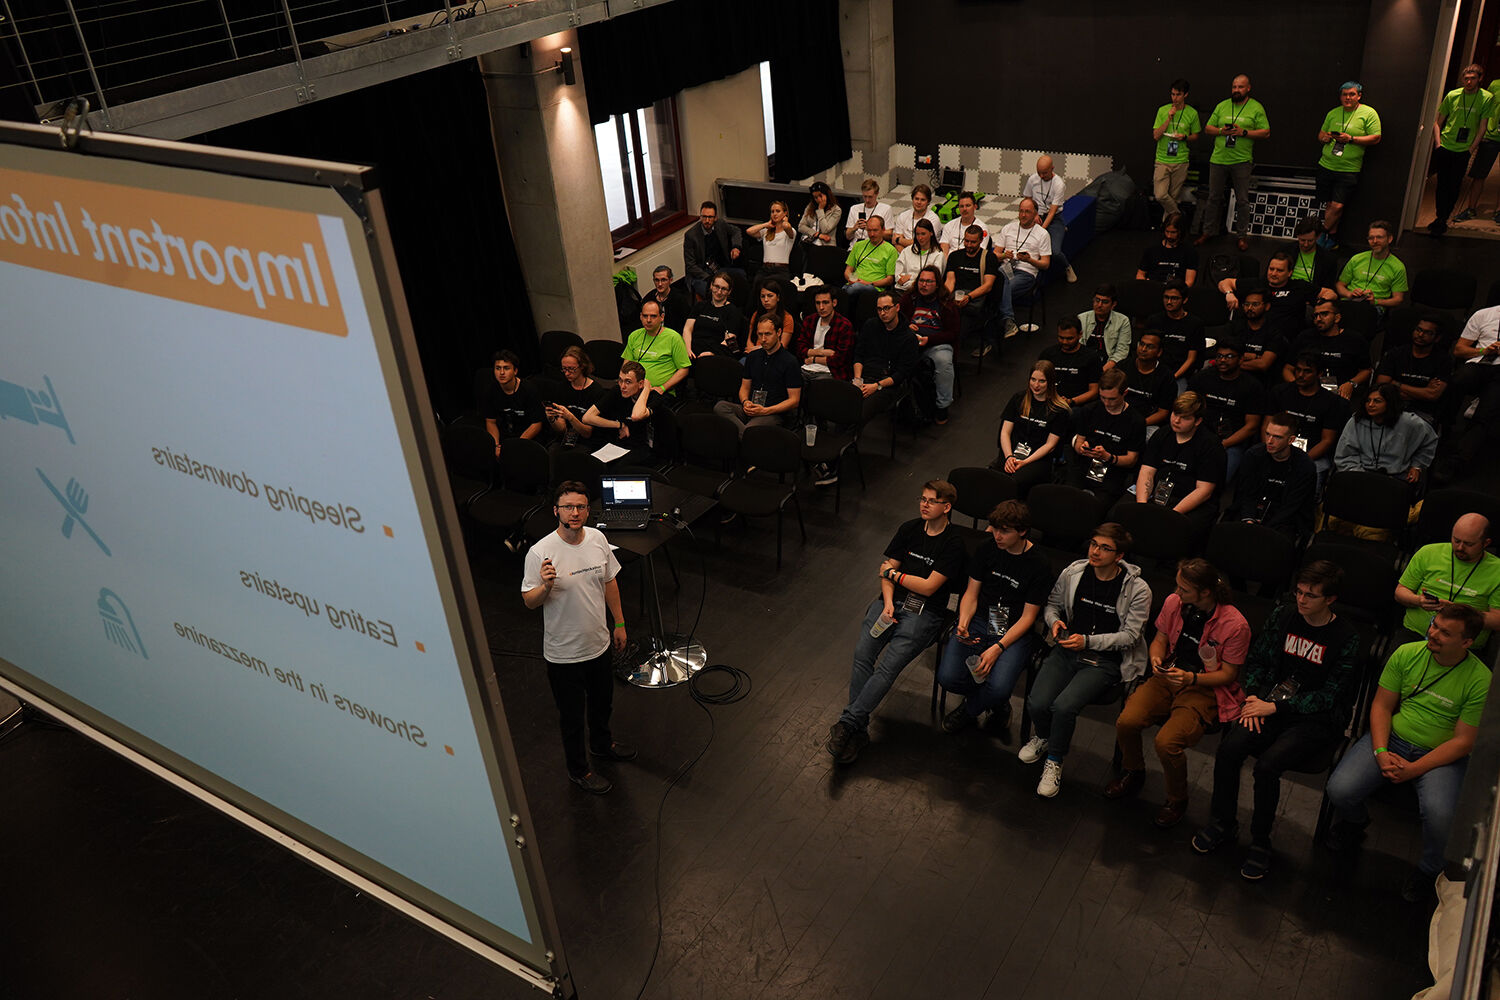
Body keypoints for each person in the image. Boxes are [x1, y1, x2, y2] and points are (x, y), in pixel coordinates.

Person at [1193, 561, 1360, 879]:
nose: (1301, 600)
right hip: (1267, 703)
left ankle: (1260, 841)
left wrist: (1274, 708)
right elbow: (1257, 659)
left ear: (1330, 599)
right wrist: (1254, 697)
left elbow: (1331, 695)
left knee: (1268, 766)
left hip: (1313, 718)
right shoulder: (1283, 615)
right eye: (1299, 592)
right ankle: (1223, 823)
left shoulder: (1346, 637)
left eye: (1310, 595)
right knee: (1229, 749)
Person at [1324, 604, 1490, 902]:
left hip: (1439, 757)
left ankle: (1429, 870)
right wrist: (1380, 751)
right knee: (1339, 789)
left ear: (1467, 642)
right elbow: (1381, 707)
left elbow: (1463, 742)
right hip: (1393, 740)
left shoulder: (1480, 679)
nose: (1433, 633)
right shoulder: (1407, 653)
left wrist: (1415, 769)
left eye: (1445, 632)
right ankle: (1356, 822)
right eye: (1434, 625)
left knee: (1441, 817)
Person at [826, 480, 967, 765]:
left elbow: (928, 587)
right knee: (862, 655)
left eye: (931, 501)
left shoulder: (954, 543)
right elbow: (886, 571)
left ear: (946, 507)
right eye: (922, 499)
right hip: (891, 602)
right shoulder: (909, 529)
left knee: (888, 668)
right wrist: (888, 601)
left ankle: (848, 723)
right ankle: (856, 729)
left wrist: (893, 575)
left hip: (925, 612)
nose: (924, 504)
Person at [1108, 559, 1250, 829]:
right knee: (1127, 721)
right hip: (1168, 675)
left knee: (1167, 742)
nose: (1176, 592)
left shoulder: (1235, 625)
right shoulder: (1175, 602)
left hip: (1204, 686)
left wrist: (1192, 678)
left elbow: (1229, 674)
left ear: (1205, 592)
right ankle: (1133, 771)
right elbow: (1160, 639)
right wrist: (1155, 659)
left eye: (1184, 589)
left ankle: (1177, 799)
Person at [1020, 522, 1151, 798]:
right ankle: (1044, 736)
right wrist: (1054, 622)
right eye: (1093, 544)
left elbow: (1130, 636)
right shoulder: (1074, 572)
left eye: (1105, 548)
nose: (1095, 552)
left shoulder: (1138, 590)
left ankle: (1055, 760)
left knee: (1063, 706)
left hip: (1103, 660)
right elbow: (1052, 605)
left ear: (1119, 556)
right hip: (1067, 649)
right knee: (1037, 702)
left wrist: (1088, 641)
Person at [521, 480, 634, 794]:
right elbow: (529, 601)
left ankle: (602, 745)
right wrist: (545, 586)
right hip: (564, 655)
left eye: (580, 506)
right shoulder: (540, 552)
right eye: (568, 507)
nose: (574, 512)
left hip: (598, 645)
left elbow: (609, 581)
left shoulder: (597, 538)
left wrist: (620, 623)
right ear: (556, 511)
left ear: (587, 510)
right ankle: (579, 770)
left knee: (602, 704)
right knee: (571, 718)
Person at [937, 499, 1054, 736]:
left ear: (1022, 531)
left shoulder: (1039, 564)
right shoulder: (986, 548)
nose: (997, 535)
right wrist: (963, 621)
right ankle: (995, 704)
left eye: (1004, 531)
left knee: (999, 688)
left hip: (1013, 630)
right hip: (980, 620)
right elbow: (971, 593)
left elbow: (1028, 617)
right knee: (947, 678)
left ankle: (970, 709)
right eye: (995, 529)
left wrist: (998, 648)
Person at [1394, 513, 1500, 647]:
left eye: (1469, 544)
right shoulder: (1428, 553)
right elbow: (1400, 592)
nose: (1460, 548)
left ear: (1486, 543)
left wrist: (1462, 613)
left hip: (1461, 645)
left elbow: (1497, 620)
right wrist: (1419, 601)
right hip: (1414, 634)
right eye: (1456, 540)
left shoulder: (1497, 570)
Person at [1135, 391, 1227, 541]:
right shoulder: (1162, 434)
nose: (1176, 421)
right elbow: (1147, 472)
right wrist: (1142, 506)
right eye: (1175, 414)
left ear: (1197, 421)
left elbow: (1204, 491)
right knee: (1124, 514)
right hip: (1159, 494)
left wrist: (1171, 515)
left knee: (1173, 532)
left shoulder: (1211, 446)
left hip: (1190, 502)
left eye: (1185, 418)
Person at [1197, 74, 1272, 252]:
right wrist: (1222, 131)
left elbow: (1266, 132)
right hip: (1218, 160)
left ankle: (1241, 236)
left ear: (1248, 88)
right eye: (1234, 87)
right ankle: (1207, 232)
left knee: (1242, 200)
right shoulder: (1222, 105)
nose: (1236, 90)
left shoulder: (1256, 107)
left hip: (1241, 161)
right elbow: (1208, 128)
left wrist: (1243, 132)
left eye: (1240, 87)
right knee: (1213, 198)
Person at [1224, 413, 1318, 539]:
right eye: (1268, 434)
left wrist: (1264, 530)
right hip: (1253, 510)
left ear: (1291, 440)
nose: (1269, 441)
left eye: (1277, 437)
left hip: (1285, 521)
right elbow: (1246, 494)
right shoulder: (1253, 456)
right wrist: (1249, 520)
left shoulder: (1304, 466)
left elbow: (1292, 506)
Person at [1315, 82, 1382, 250]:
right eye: (1344, 94)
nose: (1348, 98)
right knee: (1330, 206)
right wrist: (1325, 138)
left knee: (1338, 206)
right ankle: (1331, 239)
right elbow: (1321, 134)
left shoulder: (1368, 113)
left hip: (1348, 169)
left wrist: (1351, 139)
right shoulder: (1333, 113)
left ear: (1359, 96)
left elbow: (1376, 137)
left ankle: (1320, 234)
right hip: (1326, 165)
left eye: (1352, 94)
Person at [1428, 64, 1493, 236]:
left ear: (1479, 79)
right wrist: (1438, 144)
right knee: (1442, 184)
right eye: (1466, 79)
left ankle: (1444, 217)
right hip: (1446, 145)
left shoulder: (1486, 98)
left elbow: (1483, 127)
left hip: (1464, 149)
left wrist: (1471, 149)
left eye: (1473, 78)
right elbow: (1437, 122)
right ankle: (1440, 217)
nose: (1469, 82)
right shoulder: (1453, 95)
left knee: (1455, 185)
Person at [1189, 338, 1265, 481]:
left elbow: (1251, 426)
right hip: (1199, 436)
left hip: (1231, 443)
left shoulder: (1252, 386)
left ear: (1241, 359)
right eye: (1219, 356)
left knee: (1216, 479)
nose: (1223, 360)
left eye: (1229, 356)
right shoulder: (1202, 378)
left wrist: (1223, 444)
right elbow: (1188, 409)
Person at [1333, 382, 1437, 486]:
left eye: (1377, 401)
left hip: (1396, 477)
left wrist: (1417, 466)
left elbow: (1429, 441)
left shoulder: (1409, 422)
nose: (1370, 405)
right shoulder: (1357, 420)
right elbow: (1345, 455)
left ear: (1390, 403)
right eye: (1368, 400)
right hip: (1361, 474)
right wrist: (1361, 477)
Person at [714, 316, 803, 438]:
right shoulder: (753, 357)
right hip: (751, 408)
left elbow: (794, 401)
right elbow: (745, 387)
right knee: (721, 407)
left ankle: (742, 435)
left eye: (768, 334)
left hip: (772, 413)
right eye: (760, 334)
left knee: (750, 429)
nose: (763, 339)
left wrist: (765, 410)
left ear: (778, 332)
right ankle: (745, 436)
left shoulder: (790, 361)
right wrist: (745, 402)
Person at [1268, 353, 1348, 487]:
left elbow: (1327, 440)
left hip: (1313, 453)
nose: (1300, 375)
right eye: (1298, 370)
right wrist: (1273, 451)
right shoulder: (1281, 392)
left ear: (1319, 374)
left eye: (1307, 371)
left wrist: (1301, 461)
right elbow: (1267, 425)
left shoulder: (1331, 402)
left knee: (1312, 474)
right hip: (1279, 446)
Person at [994, 360, 1071, 499]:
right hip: (1012, 452)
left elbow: (1050, 445)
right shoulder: (1018, 399)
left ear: (1050, 382)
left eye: (1042, 381)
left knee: (1014, 481)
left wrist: (1025, 462)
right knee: (996, 478)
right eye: (1033, 379)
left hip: (1037, 459)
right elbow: (1005, 432)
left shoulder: (1060, 410)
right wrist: (1009, 457)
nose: (1036, 385)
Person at [1069, 369, 1145, 503]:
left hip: (1112, 472)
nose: (1107, 403)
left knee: (1095, 506)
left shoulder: (1135, 421)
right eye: (1103, 397)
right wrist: (1081, 448)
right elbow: (1079, 441)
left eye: (1112, 399)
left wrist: (1108, 457)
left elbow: (1132, 459)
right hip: (1084, 465)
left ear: (1125, 393)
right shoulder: (1089, 410)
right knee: (1066, 499)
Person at [1445, 302, 1500, 476]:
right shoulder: (1484, 314)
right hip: (1480, 362)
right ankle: (1445, 425)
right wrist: (1484, 350)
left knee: (1486, 414)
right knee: (1458, 380)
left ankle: (1456, 462)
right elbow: (1459, 350)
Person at [899, 265, 960, 422]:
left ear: (937, 284)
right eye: (921, 281)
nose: (924, 285)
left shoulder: (947, 303)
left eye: (928, 282)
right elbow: (897, 320)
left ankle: (942, 406)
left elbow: (953, 333)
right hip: (911, 342)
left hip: (937, 344)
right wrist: (906, 326)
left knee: (943, 362)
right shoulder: (909, 298)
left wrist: (929, 340)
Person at [1284, 298, 1372, 399]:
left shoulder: (1354, 339)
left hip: (1340, 394)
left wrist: (1351, 383)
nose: (1318, 319)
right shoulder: (1305, 337)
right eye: (1316, 315)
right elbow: (1287, 369)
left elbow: (1366, 370)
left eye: (1324, 314)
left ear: (1337, 318)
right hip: (1307, 391)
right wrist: (1297, 386)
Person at [853, 292, 920, 422]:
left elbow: (902, 374)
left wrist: (877, 386)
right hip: (865, 378)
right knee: (844, 407)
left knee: (859, 413)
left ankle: (850, 435)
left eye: (887, 308)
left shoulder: (908, 338)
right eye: (879, 309)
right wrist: (857, 380)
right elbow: (859, 355)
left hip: (888, 385)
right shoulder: (870, 325)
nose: (883, 313)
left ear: (897, 307)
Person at [1376, 312, 1450, 425]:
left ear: (1437, 338)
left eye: (1428, 333)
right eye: (1418, 330)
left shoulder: (1443, 360)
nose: (1420, 334)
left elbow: (1432, 395)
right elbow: (1382, 385)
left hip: (1422, 411)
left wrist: (1396, 384)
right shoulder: (1395, 354)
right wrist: (1422, 392)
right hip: (1391, 405)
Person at [582, 361, 660, 464]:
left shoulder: (654, 398)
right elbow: (587, 418)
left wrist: (646, 389)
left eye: (628, 382)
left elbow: (636, 416)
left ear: (640, 383)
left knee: (617, 469)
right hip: (619, 445)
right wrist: (619, 425)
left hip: (643, 448)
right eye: (620, 380)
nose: (622, 386)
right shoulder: (618, 391)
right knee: (589, 462)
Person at [947, 224, 1006, 356]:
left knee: (961, 325)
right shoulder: (954, 256)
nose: (969, 245)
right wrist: (944, 297)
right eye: (966, 241)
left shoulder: (988, 258)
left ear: (980, 241)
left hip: (977, 301)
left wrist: (969, 297)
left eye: (973, 242)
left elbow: (988, 285)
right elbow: (950, 281)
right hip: (957, 298)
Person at [994, 197, 1052, 333]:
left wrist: (1029, 260)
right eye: (1021, 211)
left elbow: (1045, 264)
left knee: (1001, 288)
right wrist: (1004, 255)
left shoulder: (1042, 234)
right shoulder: (1008, 228)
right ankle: (1007, 321)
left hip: (1026, 273)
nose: (1023, 215)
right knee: (993, 284)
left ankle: (999, 323)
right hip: (1005, 268)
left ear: (1035, 214)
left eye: (1027, 212)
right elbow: (995, 254)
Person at [1151, 80, 1201, 218]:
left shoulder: (1192, 113)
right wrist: (1168, 118)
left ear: (1185, 95)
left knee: (1173, 198)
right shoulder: (1163, 110)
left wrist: (1184, 137)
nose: (1175, 98)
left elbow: (1196, 136)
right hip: (1162, 159)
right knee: (1160, 195)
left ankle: (1167, 227)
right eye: (1172, 94)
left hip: (1181, 160)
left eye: (1178, 95)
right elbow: (1156, 136)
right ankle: (1178, 215)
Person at [623, 299, 692, 397]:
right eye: (645, 316)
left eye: (653, 316)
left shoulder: (673, 338)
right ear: (640, 317)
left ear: (662, 317)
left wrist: (662, 388)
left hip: (658, 392)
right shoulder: (634, 336)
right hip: (634, 389)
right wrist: (626, 383)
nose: (648, 320)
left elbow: (684, 369)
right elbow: (626, 365)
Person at [1335, 220, 1408, 312]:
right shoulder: (1357, 259)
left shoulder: (1397, 267)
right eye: (1371, 238)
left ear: (1389, 239)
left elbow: (1398, 299)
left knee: (1361, 312)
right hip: (1350, 301)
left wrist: (1376, 301)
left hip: (1374, 307)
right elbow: (1340, 285)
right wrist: (1349, 294)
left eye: (1379, 237)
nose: (1375, 241)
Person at [483, 350, 545, 458]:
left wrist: (516, 445)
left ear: (515, 371)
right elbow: (490, 421)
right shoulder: (491, 390)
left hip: (527, 436)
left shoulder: (529, 389)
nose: (501, 373)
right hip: (505, 435)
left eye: (506, 368)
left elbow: (537, 424)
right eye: (498, 368)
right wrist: (496, 445)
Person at [543, 346, 607, 449]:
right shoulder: (561, 388)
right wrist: (552, 419)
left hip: (587, 442)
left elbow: (587, 433)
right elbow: (562, 429)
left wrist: (570, 417)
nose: (567, 373)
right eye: (564, 369)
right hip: (566, 439)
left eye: (571, 369)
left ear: (582, 366)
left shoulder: (596, 392)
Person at [1145, 279, 1205, 387]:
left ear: (1184, 300)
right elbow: (1147, 350)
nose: (1169, 302)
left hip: (1179, 375)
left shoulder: (1195, 323)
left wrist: (1173, 377)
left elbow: (1191, 359)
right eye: (1166, 297)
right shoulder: (1154, 320)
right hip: (1154, 371)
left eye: (1174, 298)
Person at [1024, 156, 1075, 282]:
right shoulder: (1032, 179)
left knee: (1054, 251)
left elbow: (1052, 212)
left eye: (1045, 173)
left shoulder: (1059, 184)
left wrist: (1041, 230)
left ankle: (1067, 267)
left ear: (1052, 168)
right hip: (1035, 215)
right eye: (1039, 173)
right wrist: (1034, 214)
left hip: (1054, 218)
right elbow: (1028, 199)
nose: (1041, 176)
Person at [682, 201, 744, 299]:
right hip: (701, 273)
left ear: (715, 218)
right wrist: (710, 278)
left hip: (719, 268)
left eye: (710, 217)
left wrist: (736, 247)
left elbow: (736, 231)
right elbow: (690, 265)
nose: (707, 220)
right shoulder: (691, 235)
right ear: (700, 217)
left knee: (741, 276)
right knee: (713, 292)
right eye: (704, 217)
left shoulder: (720, 224)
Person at [794, 284, 856, 381]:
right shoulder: (810, 321)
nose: (821, 307)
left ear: (834, 303)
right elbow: (800, 350)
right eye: (818, 303)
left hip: (830, 372)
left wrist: (813, 359)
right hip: (806, 369)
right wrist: (821, 352)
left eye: (825, 302)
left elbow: (840, 360)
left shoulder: (844, 325)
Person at [1121, 330, 1176, 431]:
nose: (1143, 349)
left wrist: (1138, 424)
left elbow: (1163, 413)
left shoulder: (1166, 377)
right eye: (1141, 344)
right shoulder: (1123, 366)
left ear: (1159, 352)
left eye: (1150, 346)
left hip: (1147, 423)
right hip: (1119, 416)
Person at [1040, 316, 1102, 406]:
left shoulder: (1091, 357)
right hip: (1050, 402)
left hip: (1079, 405)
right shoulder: (1047, 354)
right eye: (1061, 337)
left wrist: (1071, 401)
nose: (1064, 342)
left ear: (1080, 335)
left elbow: (1094, 391)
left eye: (1070, 338)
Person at [682, 272, 746, 358]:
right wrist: (687, 349)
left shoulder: (733, 311)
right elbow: (687, 329)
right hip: (692, 351)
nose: (719, 292)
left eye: (724, 289)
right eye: (716, 287)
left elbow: (730, 340)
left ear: (729, 291)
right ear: (711, 286)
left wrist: (712, 353)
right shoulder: (700, 305)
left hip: (715, 354)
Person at [842, 216, 897, 314]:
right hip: (854, 283)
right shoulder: (859, 245)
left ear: (883, 230)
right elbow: (848, 270)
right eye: (869, 230)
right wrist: (850, 278)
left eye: (875, 230)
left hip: (874, 287)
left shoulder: (891, 250)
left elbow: (890, 279)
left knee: (852, 289)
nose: (872, 234)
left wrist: (869, 283)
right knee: (843, 290)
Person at [1231, 289, 1289, 378]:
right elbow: (1225, 356)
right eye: (1246, 304)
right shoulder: (1235, 327)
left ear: (1267, 306)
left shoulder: (1274, 331)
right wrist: (1257, 357)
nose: (1249, 308)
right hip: (1234, 376)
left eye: (1255, 304)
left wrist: (1233, 362)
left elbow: (1263, 364)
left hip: (1263, 380)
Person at [1135, 213, 1198, 286]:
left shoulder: (1189, 251)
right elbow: (1140, 274)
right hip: (1153, 287)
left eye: (1173, 232)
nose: (1169, 236)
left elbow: (1189, 282)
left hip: (1176, 289)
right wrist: (1144, 285)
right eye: (1167, 231)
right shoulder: (1152, 249)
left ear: (1181, 231)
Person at [1079, 284, 1132, 370]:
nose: (1099, 305)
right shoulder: (1082, 318)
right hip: (1085, 363)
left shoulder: (1123, 321)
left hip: (1109, 365)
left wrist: (1103, 371)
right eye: (1097, 300)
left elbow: (1122, 351)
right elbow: (1078, 346)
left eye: (1105, 302)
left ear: (1113, 304)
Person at [1289, 216, 1340, 296]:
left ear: (1318, 237)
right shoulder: (1286, 251)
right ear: (1297, 236)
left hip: (1312, 295)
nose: (1306, 244)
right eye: (1302, 240)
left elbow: (1328, 288)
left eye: (1310, 241)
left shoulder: (1328, 259)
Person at [747, 200, 796, 281]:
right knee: (756, 283)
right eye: (772, 211)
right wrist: (766, 224)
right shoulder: (766, 231)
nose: (774, 214)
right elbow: (749, 231)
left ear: (785, 213)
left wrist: (785, 220)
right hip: (765, 269)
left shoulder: (790, 231)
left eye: (778, 211)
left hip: (780, 270)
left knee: (772, 285)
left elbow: (786, 226)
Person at [894, 218, 946, 294]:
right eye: (917, 234)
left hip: (925, 293)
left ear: (931, 233)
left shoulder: (938, 255)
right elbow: (898, 278)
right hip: (901, 291)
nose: (920, 238)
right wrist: (914, 281)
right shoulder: (906, 251)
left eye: (923, 234)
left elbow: (933, 280)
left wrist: (910, 277)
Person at [746, 279, 796, 351]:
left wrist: (755, 350)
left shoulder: (787, 318)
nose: (766, 300)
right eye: (763, 296)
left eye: (770, 296)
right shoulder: (756, 314)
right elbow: (749, 340)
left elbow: (782, 345)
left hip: (775, 354)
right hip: (754, 352)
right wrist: (751, 350)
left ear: (778, 297)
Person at [643, 265, 691, 331]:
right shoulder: (648, 298)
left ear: (670, 280)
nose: (660, 284)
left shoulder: (680, 299)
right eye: (657, 280)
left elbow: (687, 323)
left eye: (663, 280)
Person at [845, 177, 893, 244]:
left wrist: (870, 229)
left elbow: (889, 234)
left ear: (877, 194)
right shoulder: (854, 208)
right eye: (865, 196)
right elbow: (848, 236)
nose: (867, 200)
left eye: (870, 197)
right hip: (856, 245)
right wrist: (854, 228)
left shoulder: (886, 209)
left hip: (875, 245)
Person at [892, 183, 939, 249]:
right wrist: (905, 254)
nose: (919, 202)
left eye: (922, 200)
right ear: (912, 199)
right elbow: (895, 242)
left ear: (928, 202)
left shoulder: (933, 219)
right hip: (903, 252)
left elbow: (923, 243)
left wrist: (899, 240)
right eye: (916, 199)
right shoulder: (903, 216)